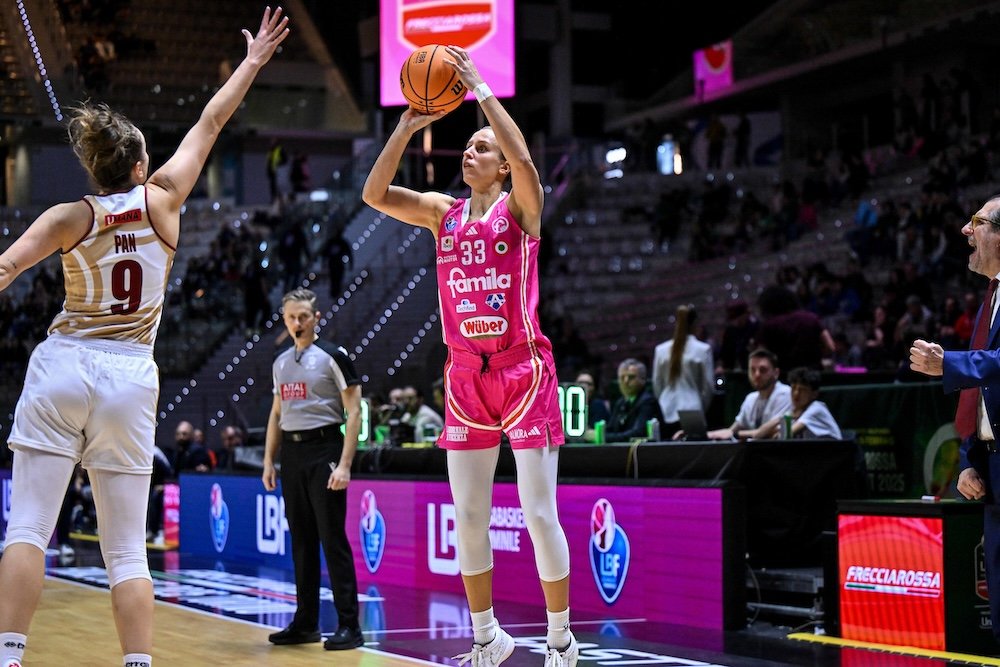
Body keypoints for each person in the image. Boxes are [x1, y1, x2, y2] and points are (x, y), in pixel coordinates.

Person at [0, 9, 289, 667]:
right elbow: (212, 122)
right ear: (137, 163)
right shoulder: (162, 200)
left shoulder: (69, 214)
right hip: (130, 371)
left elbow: (7, 269)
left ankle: (9, 656)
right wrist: (251, 62)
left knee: (28, 529)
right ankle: (137, 662)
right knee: (127, 548)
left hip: (65, 361)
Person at [361, 44, 578, 667]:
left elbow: (526, 157)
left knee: (538, 514)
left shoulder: (521, 207)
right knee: (470, 514)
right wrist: (407, 124)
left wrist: (481, 87)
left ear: (502, 167)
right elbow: (376, 194)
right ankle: (487, 638)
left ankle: (561, 639)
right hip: (465, 376)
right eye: (469, 146)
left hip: (523, 369)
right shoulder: (442, 214)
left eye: (483, 148)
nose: (471, 152)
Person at [909, 197, 1000, 645]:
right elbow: (983, 397)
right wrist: (969, 458)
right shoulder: (991, 300)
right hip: (993, 473)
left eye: (977, 222)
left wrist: (950, 363)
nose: (966, 231)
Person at [262, 288, 364, 651]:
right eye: (291, 317)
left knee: (332, 539)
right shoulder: (280, 362)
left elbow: (355, 412)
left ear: (316, 317)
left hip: (325, 450)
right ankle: (305, 623)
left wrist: (346, 464)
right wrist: (268, 461)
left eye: (304, 316)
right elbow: (276, 415)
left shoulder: (334, 356)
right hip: (292, 454)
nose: (297, 322)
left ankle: (350, 625)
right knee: (302, 542)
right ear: (284, 319)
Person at [651, 304, 714, 437]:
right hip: (693, 410)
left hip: (665, 409)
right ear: (695, 323)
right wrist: (701, 406)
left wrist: (664, 398)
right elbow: (708, 387)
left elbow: (657, 384)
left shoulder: (661, 350)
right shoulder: (703, 350)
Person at [702, 348, 793, 441]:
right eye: (753, 370)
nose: (757, 374)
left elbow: (770, 432)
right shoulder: (751, 398)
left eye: (763, 370)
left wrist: (737, 434)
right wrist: (705, 435)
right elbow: (731, 430)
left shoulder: (785, 394)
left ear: (776, 373)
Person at [747, 367, 842, 439]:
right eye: (793, 388)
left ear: (814, 394)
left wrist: (781, 426)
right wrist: (783, 418)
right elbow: (759, 434)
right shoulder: (796, 412)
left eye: (802, 390)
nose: (796, 394)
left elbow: (783, 436)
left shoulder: (816, 409)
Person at [588, 359, 664, 444]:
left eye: (631, 377)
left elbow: (637, 434)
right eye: (622, 377)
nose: (625, 381)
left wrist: (602, 436)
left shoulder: (648, 402)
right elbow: (611, 429)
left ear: (643, 380)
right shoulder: (620, 402)